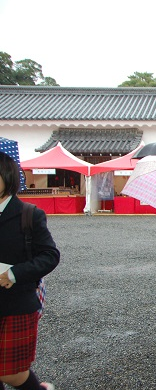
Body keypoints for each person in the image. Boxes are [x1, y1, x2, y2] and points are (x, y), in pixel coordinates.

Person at [0, 152, 59, 390]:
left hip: (16, 302)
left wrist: (14, 274)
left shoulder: (28, 214)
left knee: (11, 373)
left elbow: (49, 256)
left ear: (8, 176)